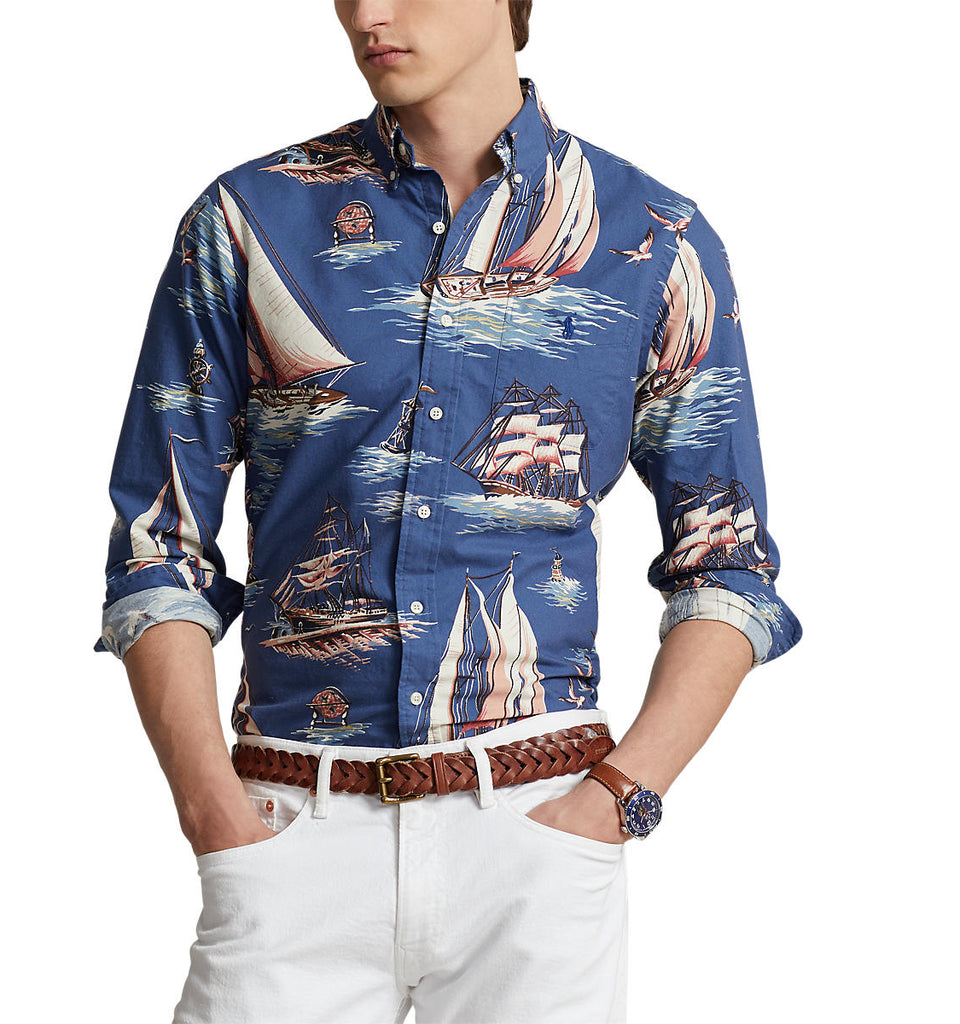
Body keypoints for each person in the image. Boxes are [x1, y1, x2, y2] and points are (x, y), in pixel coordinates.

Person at [93, 1, 802, 1021]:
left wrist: (619, 797)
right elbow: (158, 544)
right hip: (291, 832)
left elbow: (725, 561)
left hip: (537, 838)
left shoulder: (653, 240)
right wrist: (210, 808)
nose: (367, 13)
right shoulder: (248, 220)